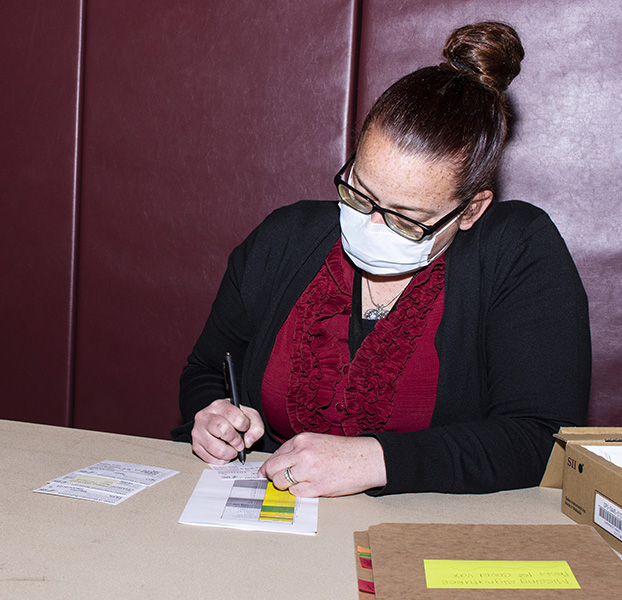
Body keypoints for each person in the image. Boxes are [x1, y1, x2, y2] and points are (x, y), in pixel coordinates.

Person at [171, 21, 591, 497]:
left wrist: (377, 459)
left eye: (407, 219)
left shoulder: (518, 252)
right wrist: (212, 413)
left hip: (424, 529)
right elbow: (207, 370)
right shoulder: (284, 238)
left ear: (471, 210)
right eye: (359, 194)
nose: (372, 225)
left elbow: (540, 438)